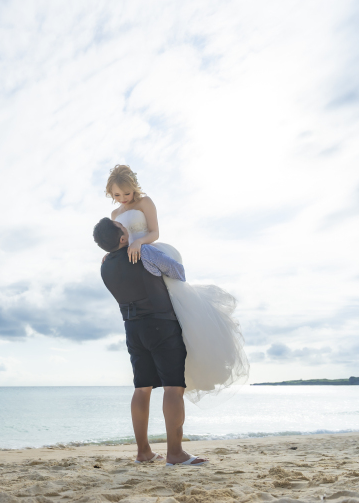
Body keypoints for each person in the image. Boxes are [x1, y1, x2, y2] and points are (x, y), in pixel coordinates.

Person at [104, 164, 249, 404]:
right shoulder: (114, 216)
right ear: (110, 194)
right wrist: (111, 254)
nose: (123, 199)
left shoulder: (145, 202)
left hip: (147, 249)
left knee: (176, 299)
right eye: (117, 195)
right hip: (130, 259)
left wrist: (139, 244)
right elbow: (116, 241)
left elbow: (154, 232)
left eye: (127, 194)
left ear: (134, 189)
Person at [94, 217, 206, 466]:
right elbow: (178, 271)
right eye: (124, 229)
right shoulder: (144, 252)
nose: (127, 229)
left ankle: (143, 452)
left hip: (132, 329)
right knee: (173, 387)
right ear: (123, 239)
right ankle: (175, 454)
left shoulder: (104, 267)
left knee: (142, 388)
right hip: (161, 326)